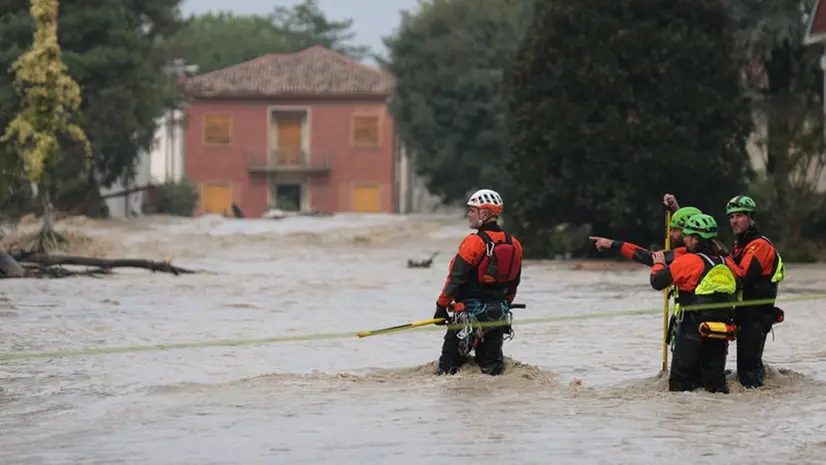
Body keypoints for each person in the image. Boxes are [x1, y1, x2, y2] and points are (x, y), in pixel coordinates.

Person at [433, 188, 524, 376]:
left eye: (472, 210)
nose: (469, 214)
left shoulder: (474, 242)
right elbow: (514, 282)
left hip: (467, 316)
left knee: (447, 369)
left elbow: (456, 278)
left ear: (485, 213)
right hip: (497, 315)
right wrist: (505, 304)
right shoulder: (514, 244)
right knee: (492, 371)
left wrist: (441, 307)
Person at [649, 214, 737, 393]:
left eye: (687, 237)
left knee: (680, 385)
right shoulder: (727, 262)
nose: (685, 240)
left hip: (691, 329)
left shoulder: (689, 261)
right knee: (715, 385)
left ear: (695, 239)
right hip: (720, 331)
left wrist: (658, 264)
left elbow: (657, 282)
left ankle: (684, 419)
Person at [723, 195, 786, 388]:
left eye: (740, 216)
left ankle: (757, 408)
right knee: (746, 368)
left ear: (750, 218)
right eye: (731, 216)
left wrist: (723, 258)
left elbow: (742, 275)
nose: (734, 220)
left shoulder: (759, 245)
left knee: (748, 372)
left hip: (757, 315)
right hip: (744, 313)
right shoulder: (741, 245)